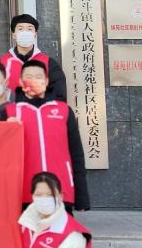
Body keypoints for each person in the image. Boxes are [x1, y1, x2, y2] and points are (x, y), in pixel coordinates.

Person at [7, 60, 90, 213]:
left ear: (46, 81)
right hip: (24, 193)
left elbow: (76, 154)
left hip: (60, 189)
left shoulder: (64, 111)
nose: (33, 80)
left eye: (38, 77)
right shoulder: (10, 112)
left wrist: (82, 197)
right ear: (20, 81)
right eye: (28, 77)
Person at [1, 14, 67, 102]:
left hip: (40, 110)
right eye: (20, 29)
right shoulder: (1, 63)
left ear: (35, 35)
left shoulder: (49, 64)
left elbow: (59, 96)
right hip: (10, 110)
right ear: (14, 35)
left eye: (29, 29)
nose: (25, 32)